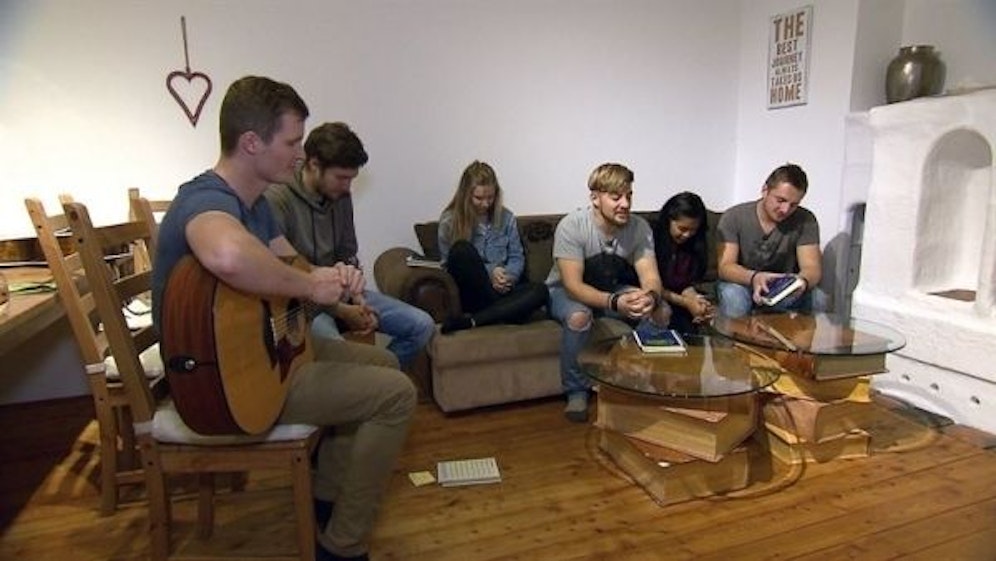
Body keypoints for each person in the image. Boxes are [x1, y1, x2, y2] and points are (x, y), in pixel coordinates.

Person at [152, 76, 414, 561]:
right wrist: (311, 286)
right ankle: (343, 546)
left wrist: (333, 287)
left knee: (386, 365)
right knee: (396, 396)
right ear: (252, 142)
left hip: (268, 353)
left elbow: (292, 265)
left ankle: (325, 499)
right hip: (225, 383)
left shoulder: (256, 208)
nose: (299, 155)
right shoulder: (205, 198)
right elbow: (229, 256)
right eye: (292, 143)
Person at [265, 122, 435, 371]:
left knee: (422, 326)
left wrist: (357, 298)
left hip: (341, 294)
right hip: (301, 303)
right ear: (314, 165)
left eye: (351, 179)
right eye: (341, 178)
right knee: (338, 355)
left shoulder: (340, 195)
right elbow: (281, 270)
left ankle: (376, 382)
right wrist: (342, 310)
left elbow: (347, 255)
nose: (347, 187)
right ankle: (367, 384)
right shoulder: (278, 198)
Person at [546, 163, 672, 422]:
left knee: (661, 312)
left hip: (610, 289)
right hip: (565, 292)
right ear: (595, 198)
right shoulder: (572, 226)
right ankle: (576, 391)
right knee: (579, 316)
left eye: (629, 196)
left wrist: (650, 298)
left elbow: (651, 277)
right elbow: (573, 285)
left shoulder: (639, 227)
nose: (625, 204)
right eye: (616, 197)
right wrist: (615, 302)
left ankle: (633, 378)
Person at [436, 160, 548, 333]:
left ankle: (474, 321)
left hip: (502, 292)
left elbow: (517, 257)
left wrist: (508, 277)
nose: (485, 204)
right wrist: (491, 272)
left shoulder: (506, 217)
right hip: (474, 292)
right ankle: (505, 312)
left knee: (540, 290)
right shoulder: (449, 221)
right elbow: (448, 266)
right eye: (479, 198)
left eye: (490, 197)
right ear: (466, 195)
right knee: (461, 249)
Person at [716, 163, 826, 318]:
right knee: (734, 297)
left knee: (818, 298)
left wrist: (801, 282)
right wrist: (755, 278)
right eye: (780, 200)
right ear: (765, 190)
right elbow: (725, 267)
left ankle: (794, 334)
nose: (785, 210)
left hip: (781, 288)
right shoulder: (734, 217)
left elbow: (812, 267)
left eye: (794, 205)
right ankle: (737, 335)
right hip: (743, 282)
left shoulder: (806, 220)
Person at [652, 191, 715, 333]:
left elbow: (685, 283)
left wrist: (695, 300)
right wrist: (687, 302)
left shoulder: (694, 244)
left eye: (693, 230)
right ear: (669, 221)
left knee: (696, 319)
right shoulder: (652, 237)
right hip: (653, 294)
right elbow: (651, 285)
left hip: (678, 297)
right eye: (682, 229)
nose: (687, 235)